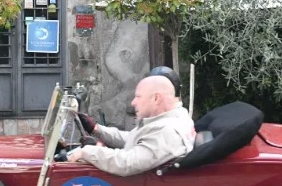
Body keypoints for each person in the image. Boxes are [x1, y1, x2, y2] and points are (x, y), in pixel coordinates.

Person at [65, 72, 195, 176]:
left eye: (138, 97)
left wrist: (87, 152)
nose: (133, 102)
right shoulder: (173, 117)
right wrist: (96, 129)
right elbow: (133, 138)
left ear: (156, 98)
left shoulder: (167, 131)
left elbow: (127, 163)